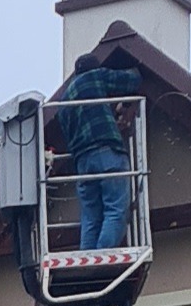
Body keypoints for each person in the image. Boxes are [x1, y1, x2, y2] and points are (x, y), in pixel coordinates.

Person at [55, 53, 141, 250]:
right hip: (107, 153)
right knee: (115, 210)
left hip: (83, 164)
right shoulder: (94, 77)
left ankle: (88, 258)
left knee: (91, 217)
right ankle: (101, 258)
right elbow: (132, 80)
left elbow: (80, 130)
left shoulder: (64, 102)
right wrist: (135, 68)